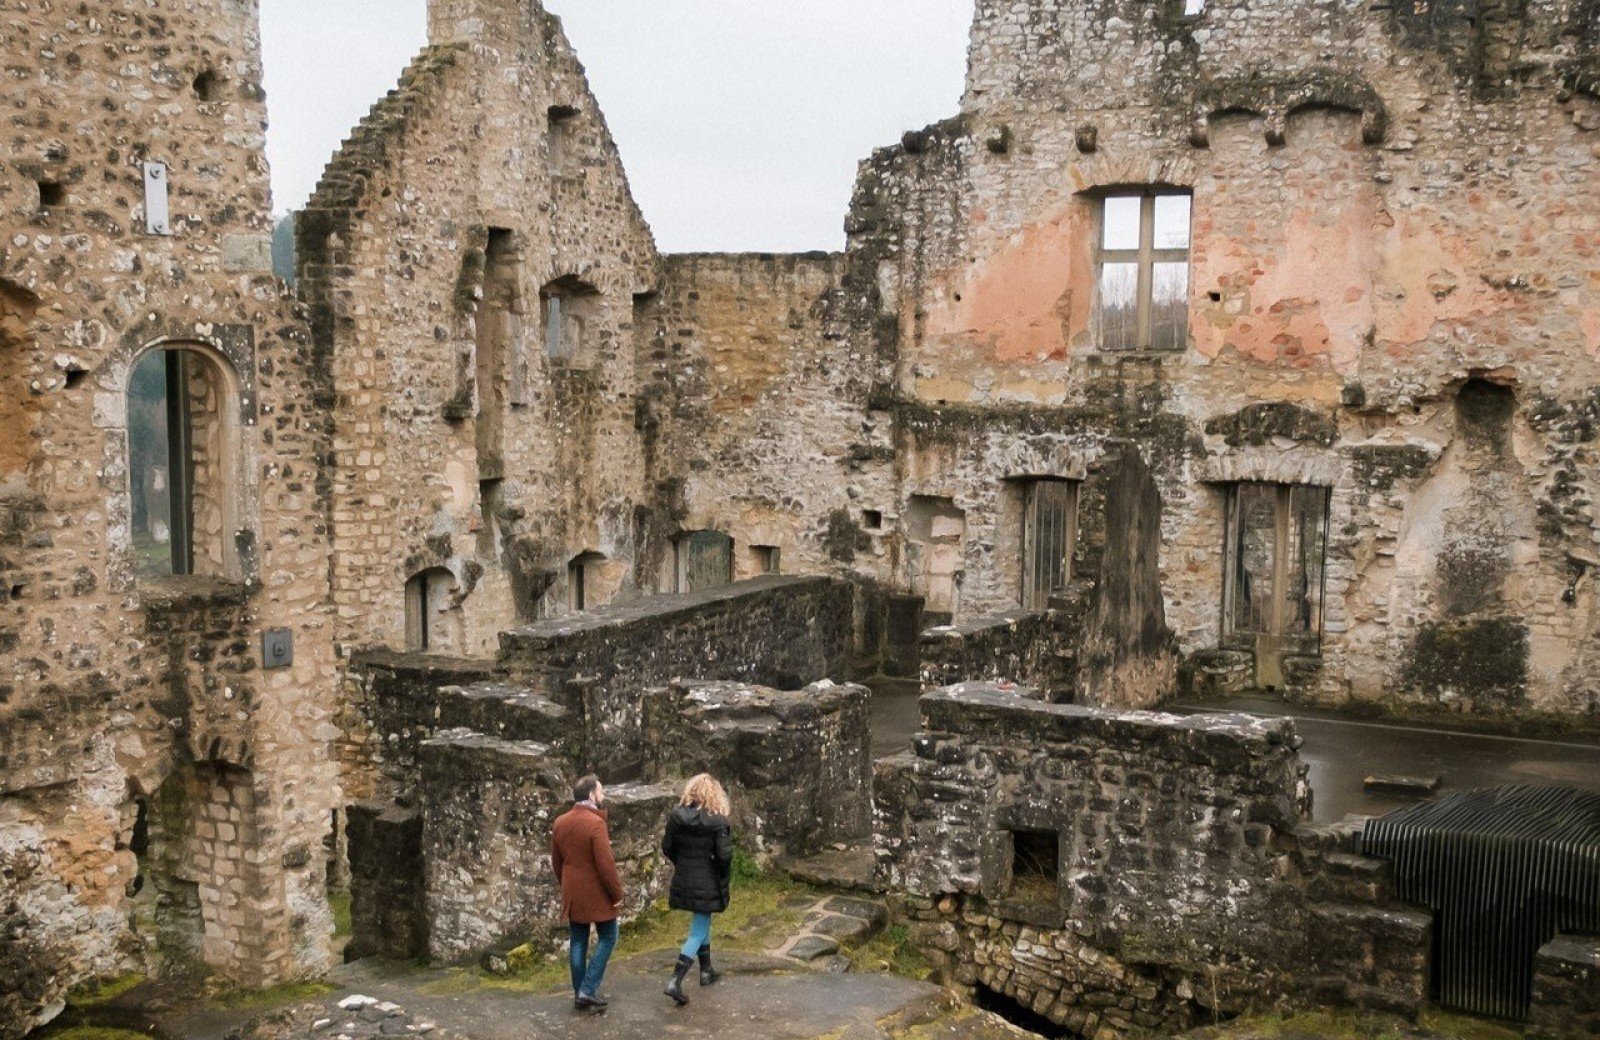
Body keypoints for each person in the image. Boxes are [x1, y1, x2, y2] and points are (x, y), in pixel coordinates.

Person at [550, 775, 624, 1010]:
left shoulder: (560, 822)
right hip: (597, 891)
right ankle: (588, 988)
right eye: (600, 790)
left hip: (573, 890)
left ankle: (579, 992)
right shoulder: (595, 823)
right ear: (591, 794)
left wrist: (567, 884)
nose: (603, 794)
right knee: (609, 936)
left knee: (578, 940)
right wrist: (616, 893)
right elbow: (606, 864)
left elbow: (556, 861)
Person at [661, 773, 733, 1006]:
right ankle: (675, 981)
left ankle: (706, 970)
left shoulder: (676, 817)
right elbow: (724, 856)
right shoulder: (718, 822)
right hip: (707, 879)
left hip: (685, 877)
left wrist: (682, 863)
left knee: (703, 921)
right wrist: (721, 873)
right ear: (714, 794)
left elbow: (667, 846)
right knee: (697, 929)